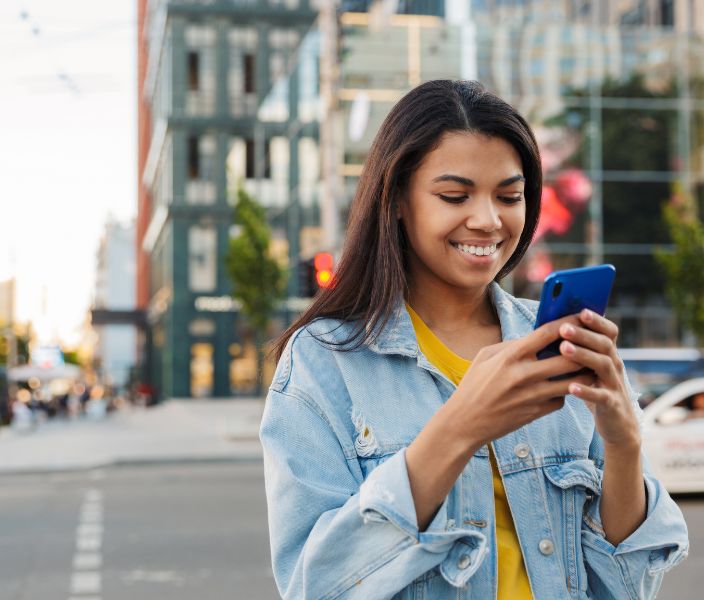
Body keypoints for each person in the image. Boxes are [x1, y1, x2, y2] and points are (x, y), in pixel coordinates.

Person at [260, 80, 688, 599]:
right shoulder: (324, 360)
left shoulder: (556, 339)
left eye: (509, 196)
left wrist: (624, 444)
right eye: (454, 196)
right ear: (397, 199)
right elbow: (312, 585)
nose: (487, 220)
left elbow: (626, 586)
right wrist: (458, 430)